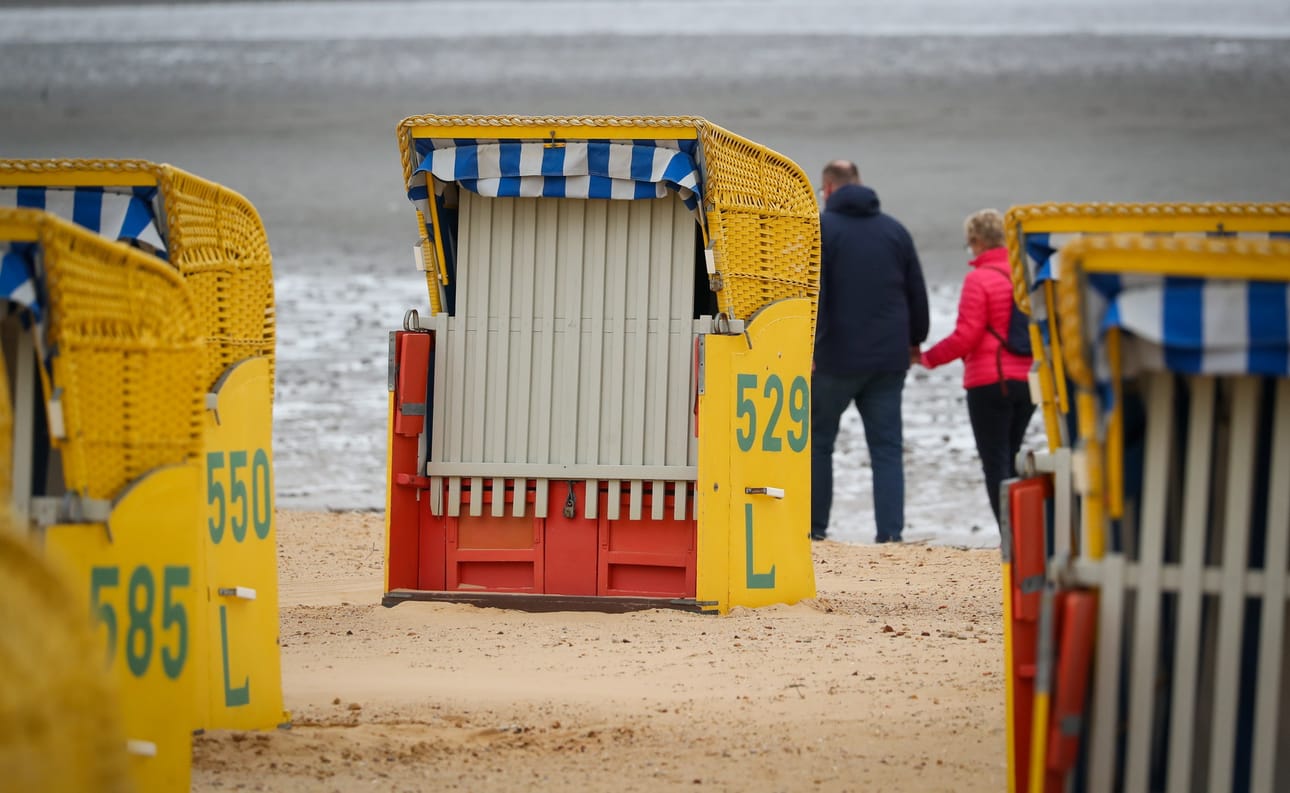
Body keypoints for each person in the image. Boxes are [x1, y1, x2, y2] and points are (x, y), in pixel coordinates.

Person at [812, 160, 929, 543]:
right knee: (887, 449)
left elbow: (815, 293)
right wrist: (916, 340)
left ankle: (815, 529)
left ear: (829, 189)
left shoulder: (822, 229)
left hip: (835, 358)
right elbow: (916, 292)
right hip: (887, 359)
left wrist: (808, 344)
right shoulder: (895, 231)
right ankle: (890, 535)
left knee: (818, 442)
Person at [917, 208, 1035, 526]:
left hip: (990, 381)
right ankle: (1024, 534)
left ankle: (1010, 536)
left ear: (977, 241)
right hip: (1028, 380)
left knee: (995, 463)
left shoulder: (978, 279)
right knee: (1013, 457)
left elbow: (966, 337)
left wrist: (928, 358)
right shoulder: (1025, 277)